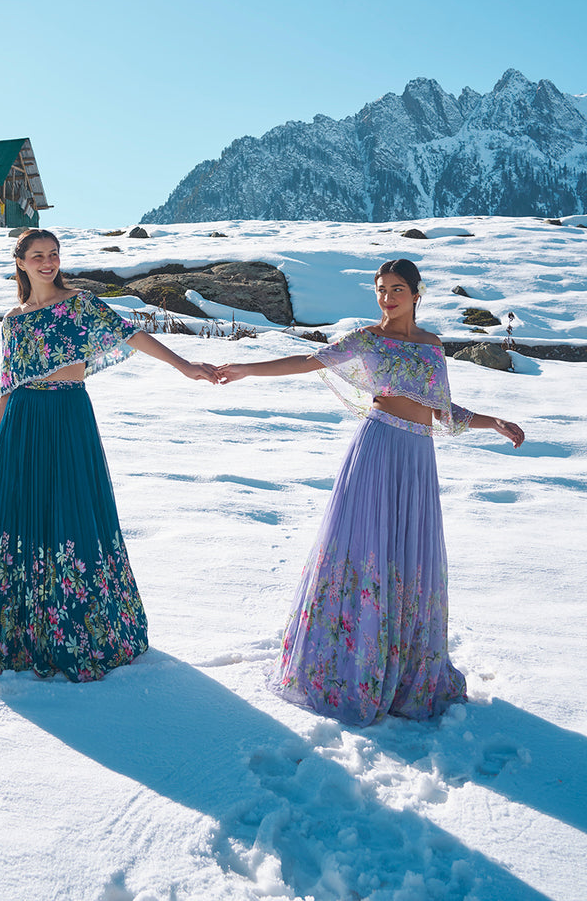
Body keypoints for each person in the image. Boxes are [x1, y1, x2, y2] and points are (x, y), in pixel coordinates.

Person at [217, 259, 524, 726]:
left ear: (417, 293)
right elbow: (307, 361)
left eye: (397, 289)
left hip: (418, 459)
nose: (387, 297)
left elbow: (442, 410)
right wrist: (244, 369)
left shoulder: (432, 347)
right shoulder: (366, 339)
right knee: (365, 551)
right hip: (378, 448)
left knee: (409, 558)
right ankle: (350, 666)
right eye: (381, 289)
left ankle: (404, 670)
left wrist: (493, 422)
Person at [0, 229, 219, 681]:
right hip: (22, 425)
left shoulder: (81, 304)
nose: (48, 263)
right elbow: (7, 386)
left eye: (53, 255)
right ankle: (14, 634)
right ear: (22, 263)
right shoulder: (14, 321)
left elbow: (131, 335)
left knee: (71, 514)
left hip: (69, 415)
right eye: (38, 256)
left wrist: (185, 365)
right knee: (18, 519)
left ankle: (78, 630)